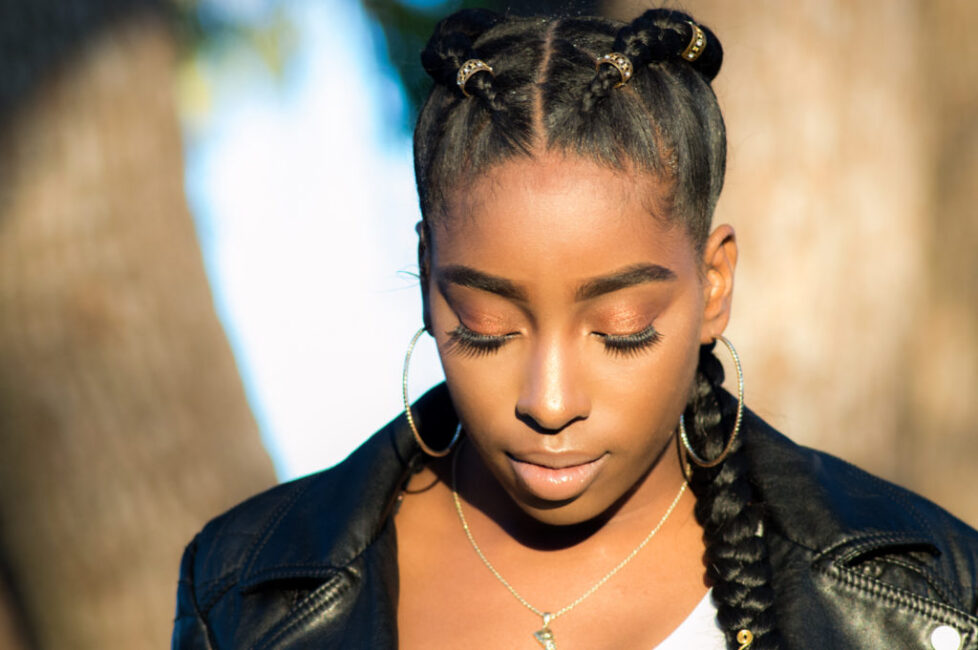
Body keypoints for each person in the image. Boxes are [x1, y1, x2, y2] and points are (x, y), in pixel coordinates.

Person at [171, 7, 978, 650]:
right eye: (486, 327)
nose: (549, 404)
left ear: (715, 285)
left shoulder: (925, 606)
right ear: (427, 281)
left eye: (622, 329)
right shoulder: (245, 593)